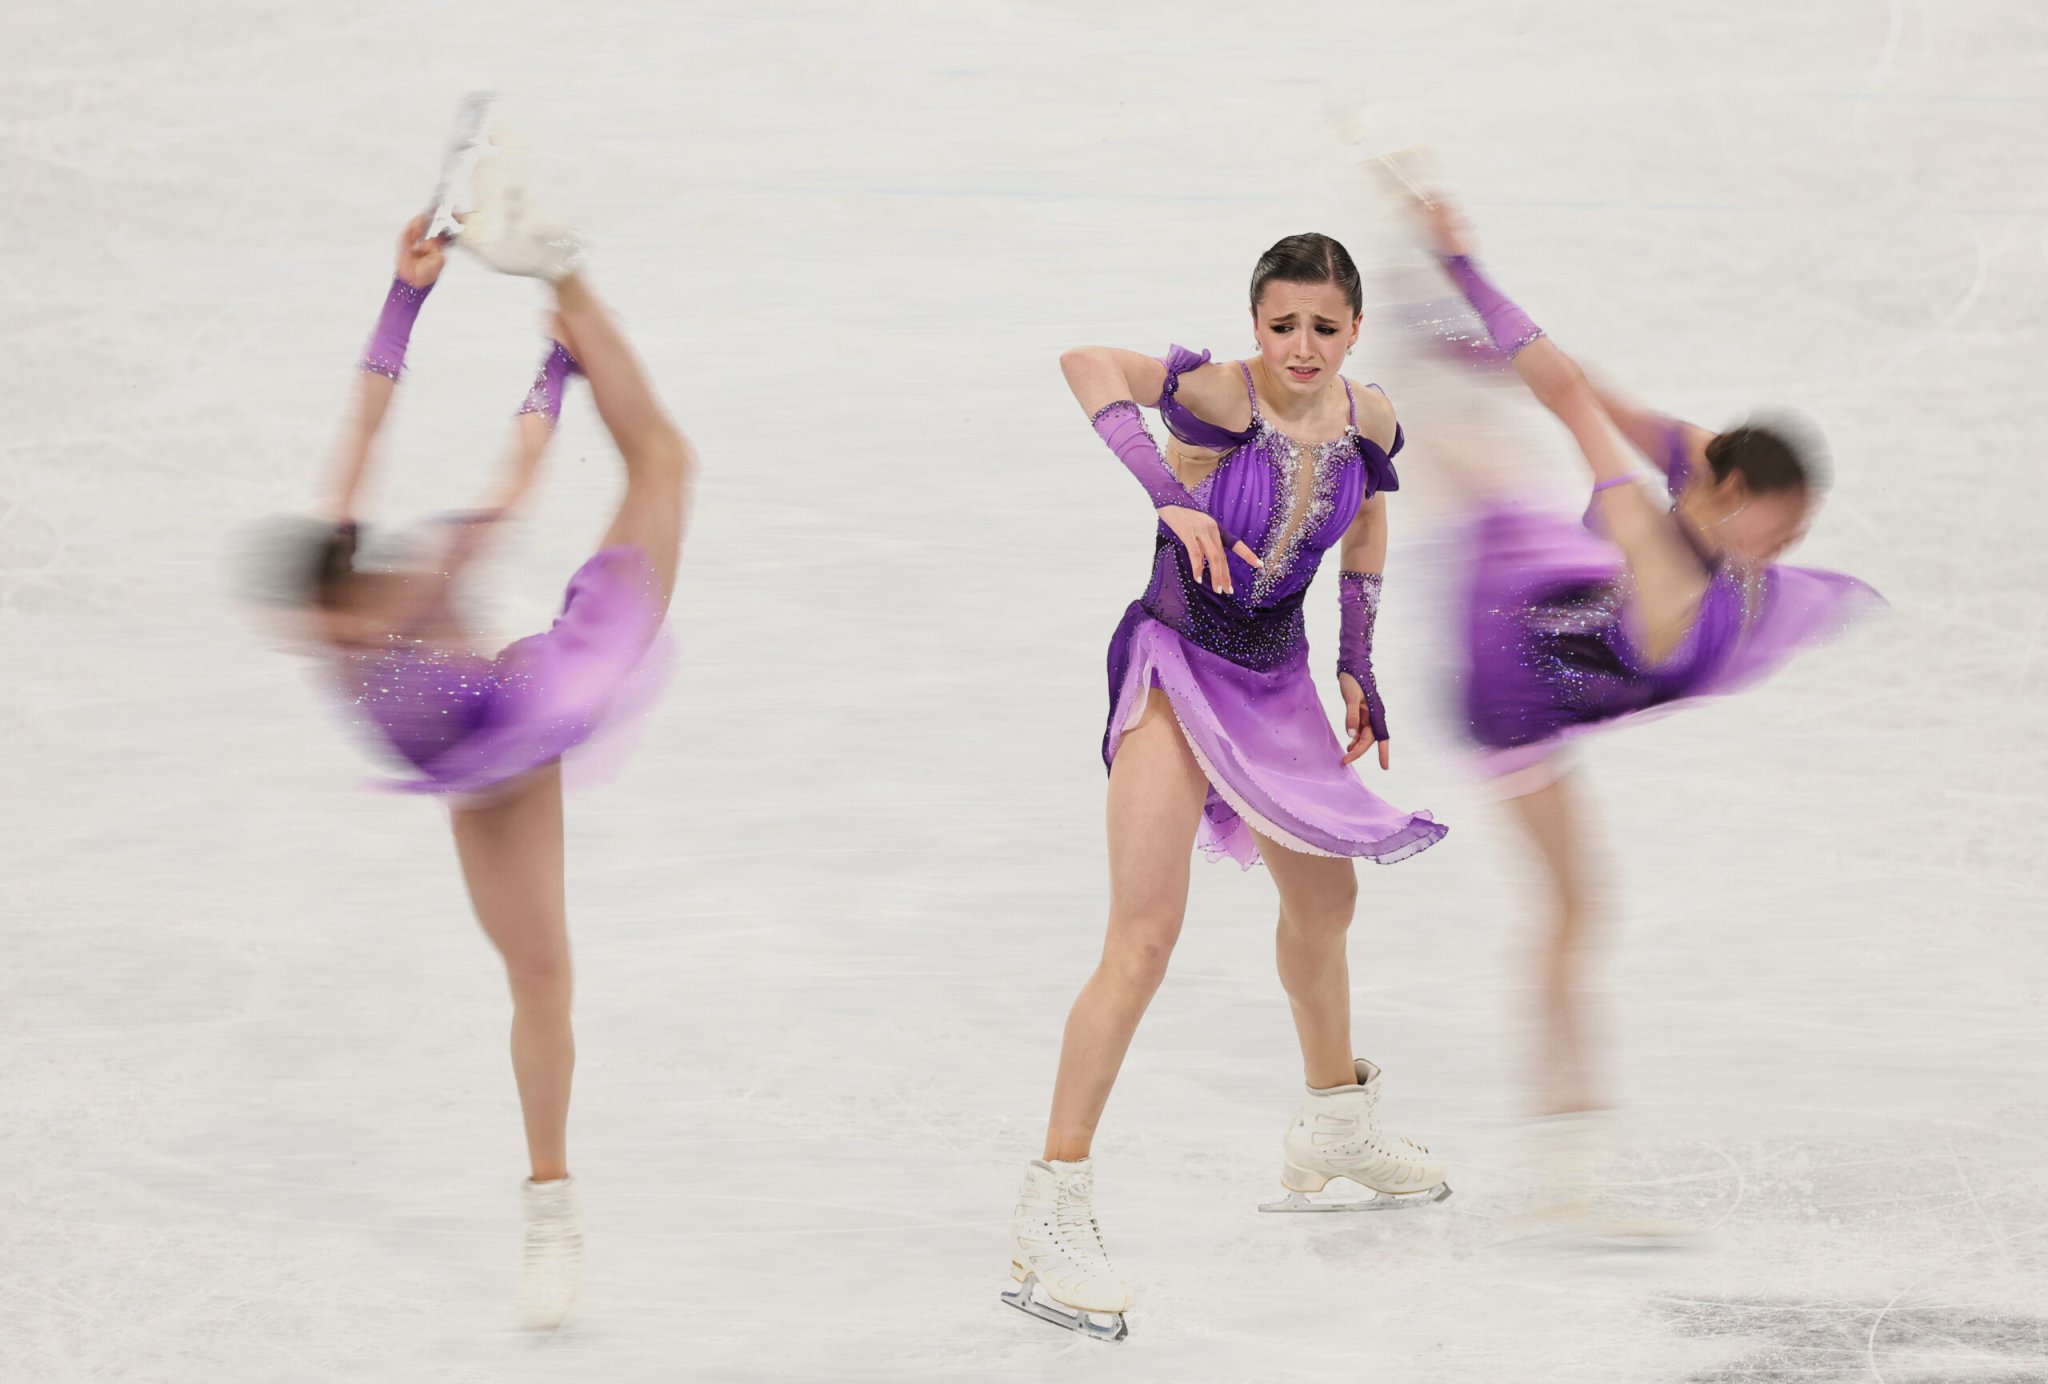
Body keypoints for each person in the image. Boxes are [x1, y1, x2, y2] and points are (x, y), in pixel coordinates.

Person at [1402, 184, 1881, 1235]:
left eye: (1798, 528)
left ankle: (1426, 373)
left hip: (1564, 616)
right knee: (1575, 910)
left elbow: (1588, 385)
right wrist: (1462, 289)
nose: (1789, 544)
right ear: (1728, 494)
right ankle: (1564, 1178)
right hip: (1517, 690)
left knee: (1486, 482)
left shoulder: (1702, 464)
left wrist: (1464, 272)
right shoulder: (1656, 558)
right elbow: (1573, 407)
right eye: (1779, 523)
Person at [1005, 232, 1451, 1343]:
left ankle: (1332, 1124)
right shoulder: (1216, 394)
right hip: (1173, 662)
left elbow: (1371, 513)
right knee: (1144, 937)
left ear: (1353, 328)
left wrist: (1355, 654)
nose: (1299, 345)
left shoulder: (1372, 419)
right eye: (1280, 323)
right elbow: (1081, 361)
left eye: (1322, 325)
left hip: (1275, 678)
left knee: (1326, 903)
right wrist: (1169, 494)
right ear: (1255, 324)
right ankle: (1048, 1206)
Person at [280, 125, 691, 1327]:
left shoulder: (416, 566)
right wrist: (402, 303)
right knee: (543, 974)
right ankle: (550, 1212)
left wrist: (550, 376)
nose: (340, 639)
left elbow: (515, 477)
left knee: (662, 463)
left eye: (345, 619)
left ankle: (559, 270)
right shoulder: (335, 589)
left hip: (535, 688)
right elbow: (363, 424)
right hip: (476, 769)